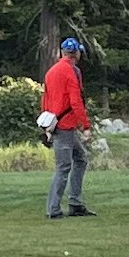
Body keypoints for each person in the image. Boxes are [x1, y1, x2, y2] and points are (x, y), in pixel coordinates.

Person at [40, 36, 93, 219]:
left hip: (54, 124)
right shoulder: (71, 72)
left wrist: (46, 126)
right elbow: (76, 101)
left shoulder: (51, 71)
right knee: (63, 167)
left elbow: (45, 100)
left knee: (81, 158)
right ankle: (53, 210)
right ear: (76, 53)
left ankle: (75, 203)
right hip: (65, 126)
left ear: (62, 52)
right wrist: (85, 126)